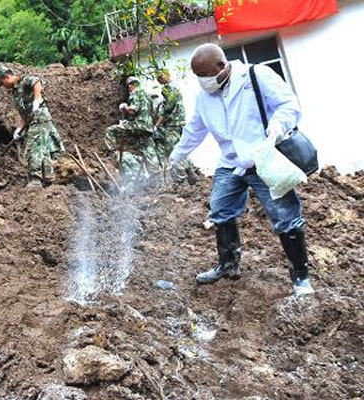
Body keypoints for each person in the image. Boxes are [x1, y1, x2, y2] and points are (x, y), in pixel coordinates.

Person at [168, 43, 313, 296]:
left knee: (285, 216)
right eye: (198, 76)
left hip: (263, 160)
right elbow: (195, 130)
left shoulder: (256, 76)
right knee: (220, 209)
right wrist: (175, 156)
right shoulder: (204, 97)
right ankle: (228, 265)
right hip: (231, 163)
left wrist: (277, 127)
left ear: (221, 66)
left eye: (204, 75)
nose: (202, 81)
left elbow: (288, 105)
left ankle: (301, 277)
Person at [0, 66, 64, 188]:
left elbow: (36, 82)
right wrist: (19, 129)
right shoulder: (15, 92)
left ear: (6, 77)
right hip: (32, 120)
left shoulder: (24, 80)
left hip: (40, 117)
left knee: (33, 147)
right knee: (42, 148)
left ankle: (35, 180)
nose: (3, 86)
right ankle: (48, 178)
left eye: (2, 82)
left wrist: (37, 101)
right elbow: (25, 114)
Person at [104, 76, 160, 179]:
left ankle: (111, 156)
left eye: (129, 87)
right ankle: (155, 174)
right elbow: (153, 113)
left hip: (138, 125)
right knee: (148, 148)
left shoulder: (136, 92)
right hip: (148, 128)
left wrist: (124, 106)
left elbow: (133, 110)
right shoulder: (148, 96)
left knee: (110, 131)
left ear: (131, 85)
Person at [154, 70, 197, 185]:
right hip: (180, 122)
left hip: (172, 125)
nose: (159, 80)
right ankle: (190, 171)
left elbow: (167, 109)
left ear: (167, 75)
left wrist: (157, 124)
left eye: (160, 77)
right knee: (181, 148)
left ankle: (180, 181)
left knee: (172, 151)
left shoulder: (167, 88)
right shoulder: (176, 86)